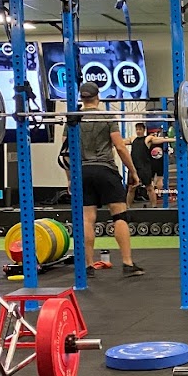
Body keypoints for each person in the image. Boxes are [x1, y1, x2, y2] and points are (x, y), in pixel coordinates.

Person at [69, 82, 144, 277]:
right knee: (119, 216)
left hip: (83, 172)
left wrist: (70, 179)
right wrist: (133, 172)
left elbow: (66, 152)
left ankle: (88, 266)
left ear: (82, 98)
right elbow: (120, 147)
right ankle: (127, 263)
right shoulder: (107, 116)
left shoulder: (73, 118)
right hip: (106, 170)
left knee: (87, 219)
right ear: (98, 97)